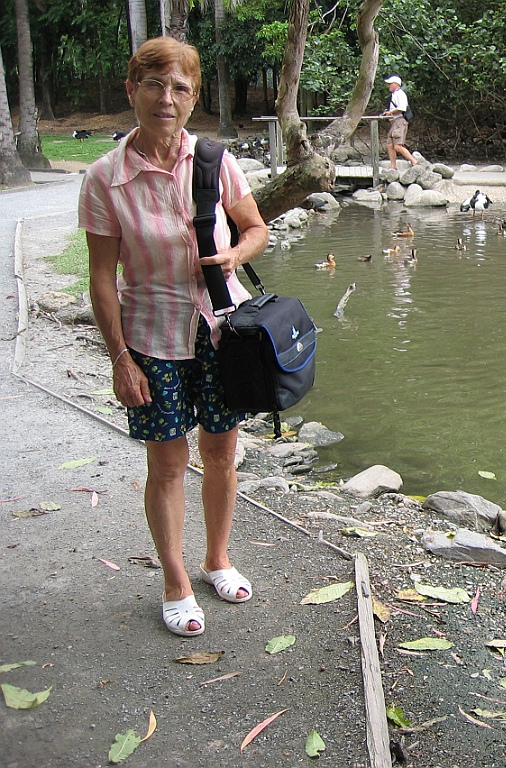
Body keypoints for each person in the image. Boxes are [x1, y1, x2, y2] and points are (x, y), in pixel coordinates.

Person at [79, 37, 269, 637]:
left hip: (220, 333)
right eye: (154, 84)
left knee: (222, 454)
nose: (167, 98)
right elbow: (102, 279)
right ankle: (175, 580)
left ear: (193, 98)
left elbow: (256, 228)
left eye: (180, 87)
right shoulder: (105, 178)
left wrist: (235, 255)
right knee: (166, 464)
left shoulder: (214, 161)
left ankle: (217, 559)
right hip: (150, 339)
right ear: (132, 90)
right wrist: (119, 358)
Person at [382, 74, 418, 170]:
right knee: (390, 144)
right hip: (394, 122)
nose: (388, 86)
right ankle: (393, 166)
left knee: (397, 146)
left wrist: (391, 112)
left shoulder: (400, 94)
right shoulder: (394, 95)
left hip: (400, 121)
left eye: (390, 84)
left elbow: (402, 108)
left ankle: (414, 161)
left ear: (396, 84)